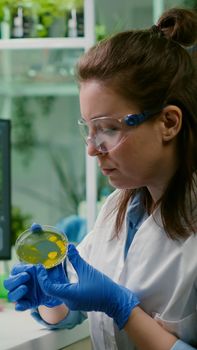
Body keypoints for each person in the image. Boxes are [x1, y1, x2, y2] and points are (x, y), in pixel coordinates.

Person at [4, 7, 197, 350]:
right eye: (88, 130)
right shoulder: (118, 209)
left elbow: (108, 303)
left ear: (169, 122)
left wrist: (122, 308)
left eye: (108, 128)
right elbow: (76, 309)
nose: (93, 149)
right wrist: (51, 295)